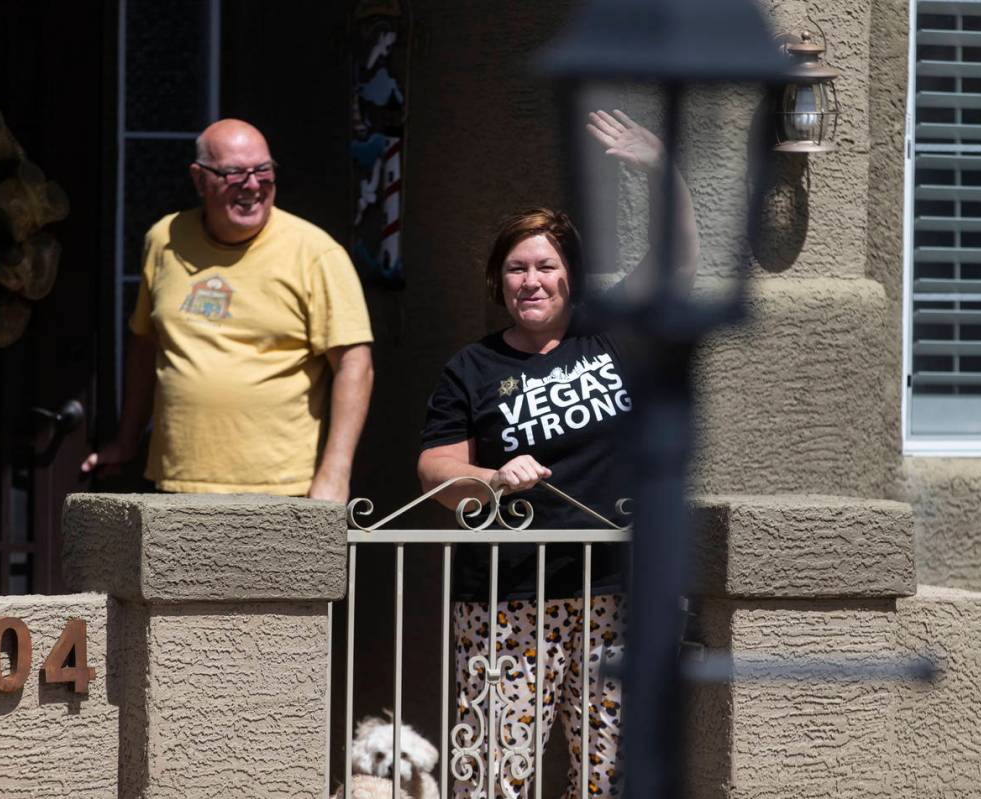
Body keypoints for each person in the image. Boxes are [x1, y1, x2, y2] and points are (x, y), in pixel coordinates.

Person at [417, 110, 698, 799]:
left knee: (609, 769)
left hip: (615, 587)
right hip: (509, 594)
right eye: (516, 269)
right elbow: (433, 470)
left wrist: (662, 168)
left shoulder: (608, 335)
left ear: (570, 275)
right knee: (492, 769)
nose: (531, 281)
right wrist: (491, 476)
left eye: (545, 266)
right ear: (498, 282)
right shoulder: (471, 368)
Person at [82, 119, 374, 502]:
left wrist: (335, 473)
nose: (253, 185)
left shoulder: (316, 253)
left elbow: (356, 365)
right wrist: (127, 439)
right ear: (200, 180)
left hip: (281, 489)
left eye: (264, 171)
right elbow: (145, 344)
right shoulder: (164, 240)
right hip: (177, 481)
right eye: (235, 173)